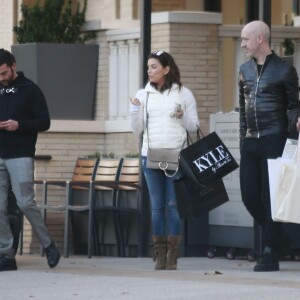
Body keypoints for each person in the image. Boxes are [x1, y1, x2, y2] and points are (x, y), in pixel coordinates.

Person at [238, 21, 299, 272]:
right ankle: (280, 238)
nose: (242, 44)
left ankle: (270, 253)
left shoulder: (285, 70)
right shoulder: (244, 70)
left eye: (245, 39)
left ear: (260, 38)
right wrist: (243, 139)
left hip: (275, 137)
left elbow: (295, 104)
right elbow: (242, 108)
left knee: (270, 198)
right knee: (249, 196)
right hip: (251, 141)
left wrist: (293, 124)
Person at [130, 50, 199, 270]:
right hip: (150, 156)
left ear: (166, 69)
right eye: (148, 67)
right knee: (156, 207)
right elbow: (137, 129)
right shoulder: (143, 94)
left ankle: (173, 254)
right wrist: (134, 110)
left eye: (154, 67)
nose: (149, 71)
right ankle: (159, 253)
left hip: (176, 156)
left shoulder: (183, 94)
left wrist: (183, 117)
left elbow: (194, 127)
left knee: (173, 206)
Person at [0, 48, 60, 271]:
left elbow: (44, 122)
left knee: (25, 203)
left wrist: (19, 125)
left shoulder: (30, 90)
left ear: (13, 65)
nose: (1, 78)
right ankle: (6, 254)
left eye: (4, 73)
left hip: (20, 154)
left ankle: (49, 245)